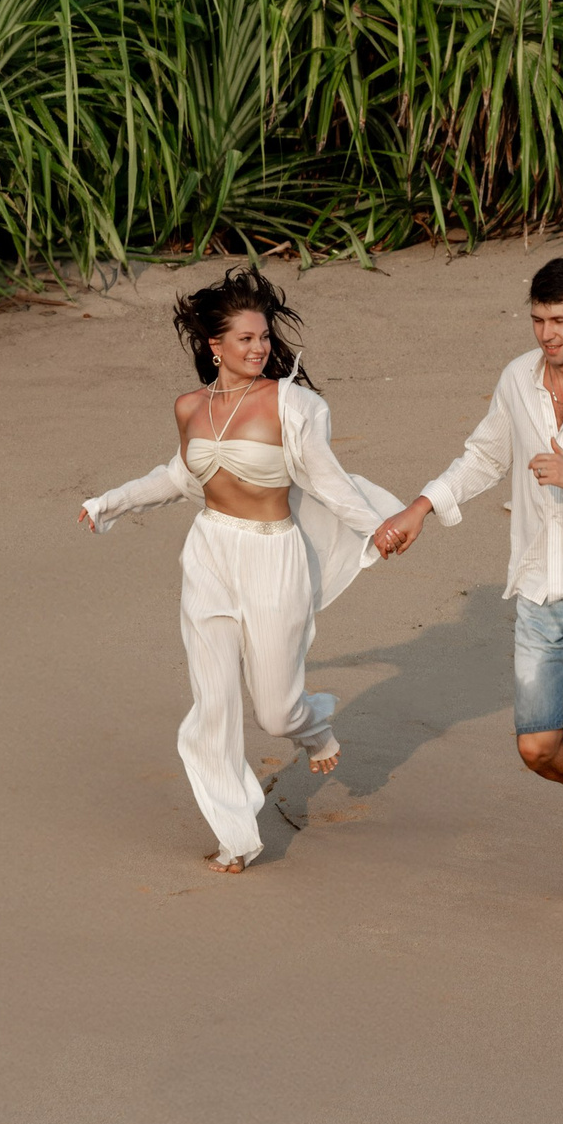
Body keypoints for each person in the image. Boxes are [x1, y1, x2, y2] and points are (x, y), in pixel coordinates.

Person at [371, 255, 563, 918]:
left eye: (560, 321)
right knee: (537, 747)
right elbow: (484, 456)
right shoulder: (518, 379)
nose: (547, 334)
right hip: (542, 585)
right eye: (538, 320)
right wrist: (420, 508)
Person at [80, 268, 405, 874]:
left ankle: (314, 728)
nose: (260, 348)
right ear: (216, 346)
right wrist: (111, 502)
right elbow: (178, 478)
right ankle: (236, 835)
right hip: (210, 553)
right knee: (214, 704)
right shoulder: (190, 407)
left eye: (264, 337)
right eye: (247, 339)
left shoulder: (293, 404)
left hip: (272, 557)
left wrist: (378, 529)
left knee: (275, 711)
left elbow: (329, 481)